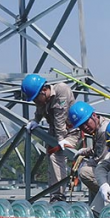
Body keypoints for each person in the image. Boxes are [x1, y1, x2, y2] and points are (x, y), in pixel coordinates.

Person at [22, 73, 80, 202]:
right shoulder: (42, 98)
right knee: (51, 158)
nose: (35, 102)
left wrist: (60, 140)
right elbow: (39, 109)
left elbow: (60, 117)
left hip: (70, 132)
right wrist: (35, 120)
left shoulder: (61, 90)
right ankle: (55, 194)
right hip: (54, 133)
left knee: (56, 156)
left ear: (44, 90)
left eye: (36, 98)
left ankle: (59, 196)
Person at [67, 101, 110, 202]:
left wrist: (86, 163)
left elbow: (100, 159)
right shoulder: (100, 125)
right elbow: (99, 148)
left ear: (94, 115)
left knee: (85, 172)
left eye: (86, 122)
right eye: (81, 126)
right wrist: (86, 151)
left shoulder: (103, 131)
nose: (85, 128)